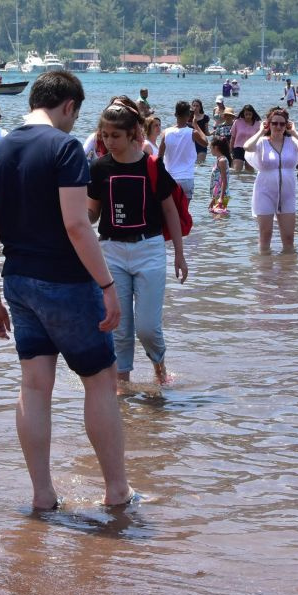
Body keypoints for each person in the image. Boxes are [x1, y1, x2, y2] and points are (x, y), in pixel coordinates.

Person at [0, 69, 135, 510]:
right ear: (68, 106)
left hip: (18, 282)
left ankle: (43, 495)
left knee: (34, 385)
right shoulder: (65, 147)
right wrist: (107, 285)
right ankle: (116, 491)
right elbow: (76, 223)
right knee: (100, 381)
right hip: (66, 280)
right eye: (75, 114)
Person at [87, 97, 187, 389]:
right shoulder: (99, 168)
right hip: (111, 250)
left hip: (149, 249)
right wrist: (75, 218)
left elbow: (170, 211)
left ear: (132, 134)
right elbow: (92, 212)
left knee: (147, 328)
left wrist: (179, 254)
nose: (109, 141)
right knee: (118, 327)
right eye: (104, 135)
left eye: (115, 136)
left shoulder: (152, 166)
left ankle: (160, 368)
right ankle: (123, 388)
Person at [244, 106, 298, 253]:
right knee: (265, 236)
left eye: (282, 124)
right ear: (269, 124)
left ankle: (287, 272)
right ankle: (264, 271)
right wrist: (261, 131)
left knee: (288, 238)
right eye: (274, 123)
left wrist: (294, 132)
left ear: (287, 125)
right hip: (264, 192)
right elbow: (247, 146)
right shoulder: (261, 142)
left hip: (287, 194)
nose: (278, 127)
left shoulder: (292, 142)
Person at [158, 100, 208, 198]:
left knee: (170, 212)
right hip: (186, 178)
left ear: (175, 114)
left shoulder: (165, 133)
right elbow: (205, 143)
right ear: (189, 115)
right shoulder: (193, 133)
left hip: (170, 178)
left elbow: (159, 157)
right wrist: (196, 125)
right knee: (184, 212)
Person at [230, 104, 261, 172]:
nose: (248, 116)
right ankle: (237, 183)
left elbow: (260, 140)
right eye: (246, 114)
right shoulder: (237, 122)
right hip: (238, 148)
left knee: (250, 173)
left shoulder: (257, 124)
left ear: (253, 114)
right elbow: (233, 137)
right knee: (236, 171)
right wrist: (230, 150)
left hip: (251, 149)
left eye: (250, 114)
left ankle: (248, 183)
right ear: (243, 113)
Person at [208, 136, 231, 215]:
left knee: (220, 221)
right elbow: (218, 180)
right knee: (216, 219)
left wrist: (221, 198)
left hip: (222, 195)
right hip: (217, 195)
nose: (210, 150)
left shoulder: (222, 160)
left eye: (211, 148)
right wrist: (214, 199)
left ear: (216, 147)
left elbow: (224, 180)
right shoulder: (219, 160)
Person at [190, 98, 211, 164]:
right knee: (192, 164)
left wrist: (213, 132)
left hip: (201, 142)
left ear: (200, 107)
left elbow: (206, 132)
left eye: (197, 106)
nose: (195, 107)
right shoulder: (188, 117)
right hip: (191, 144)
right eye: (194, 105)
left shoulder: (205, 117)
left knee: (200, 164)